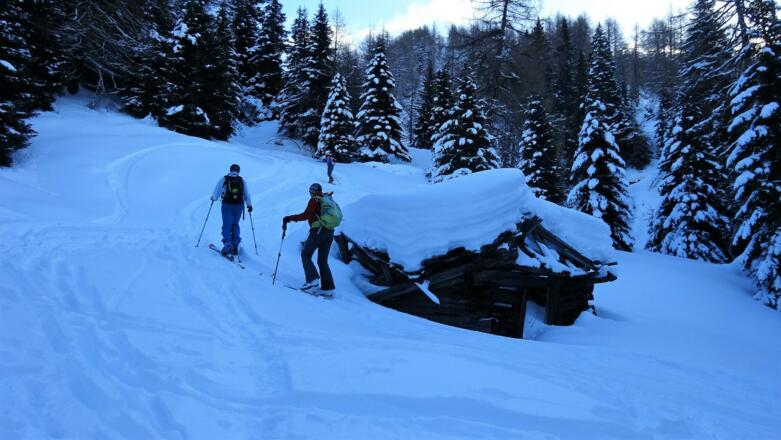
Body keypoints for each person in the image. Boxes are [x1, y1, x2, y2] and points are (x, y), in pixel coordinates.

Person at [282, 183, 336, 293]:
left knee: (305, 254)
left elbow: (306, 215)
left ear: (312, 192)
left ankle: (312, 281)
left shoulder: (314, 200)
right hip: (330, 232)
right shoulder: (327, 199)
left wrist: (290, 218)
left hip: (318, 232)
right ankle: (328, 288)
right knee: (322, 261)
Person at [211, 164, 252, 255]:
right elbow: (247, 194)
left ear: (230, 170)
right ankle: (236, 243)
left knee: (227, 224)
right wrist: (249, 205)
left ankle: (228, 244)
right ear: (238, 171)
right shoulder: (242, 180)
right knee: (235, 224)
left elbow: (217, 190)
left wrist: (214, 198)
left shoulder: (224, 179)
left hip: (227, 204)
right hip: (239, 206)